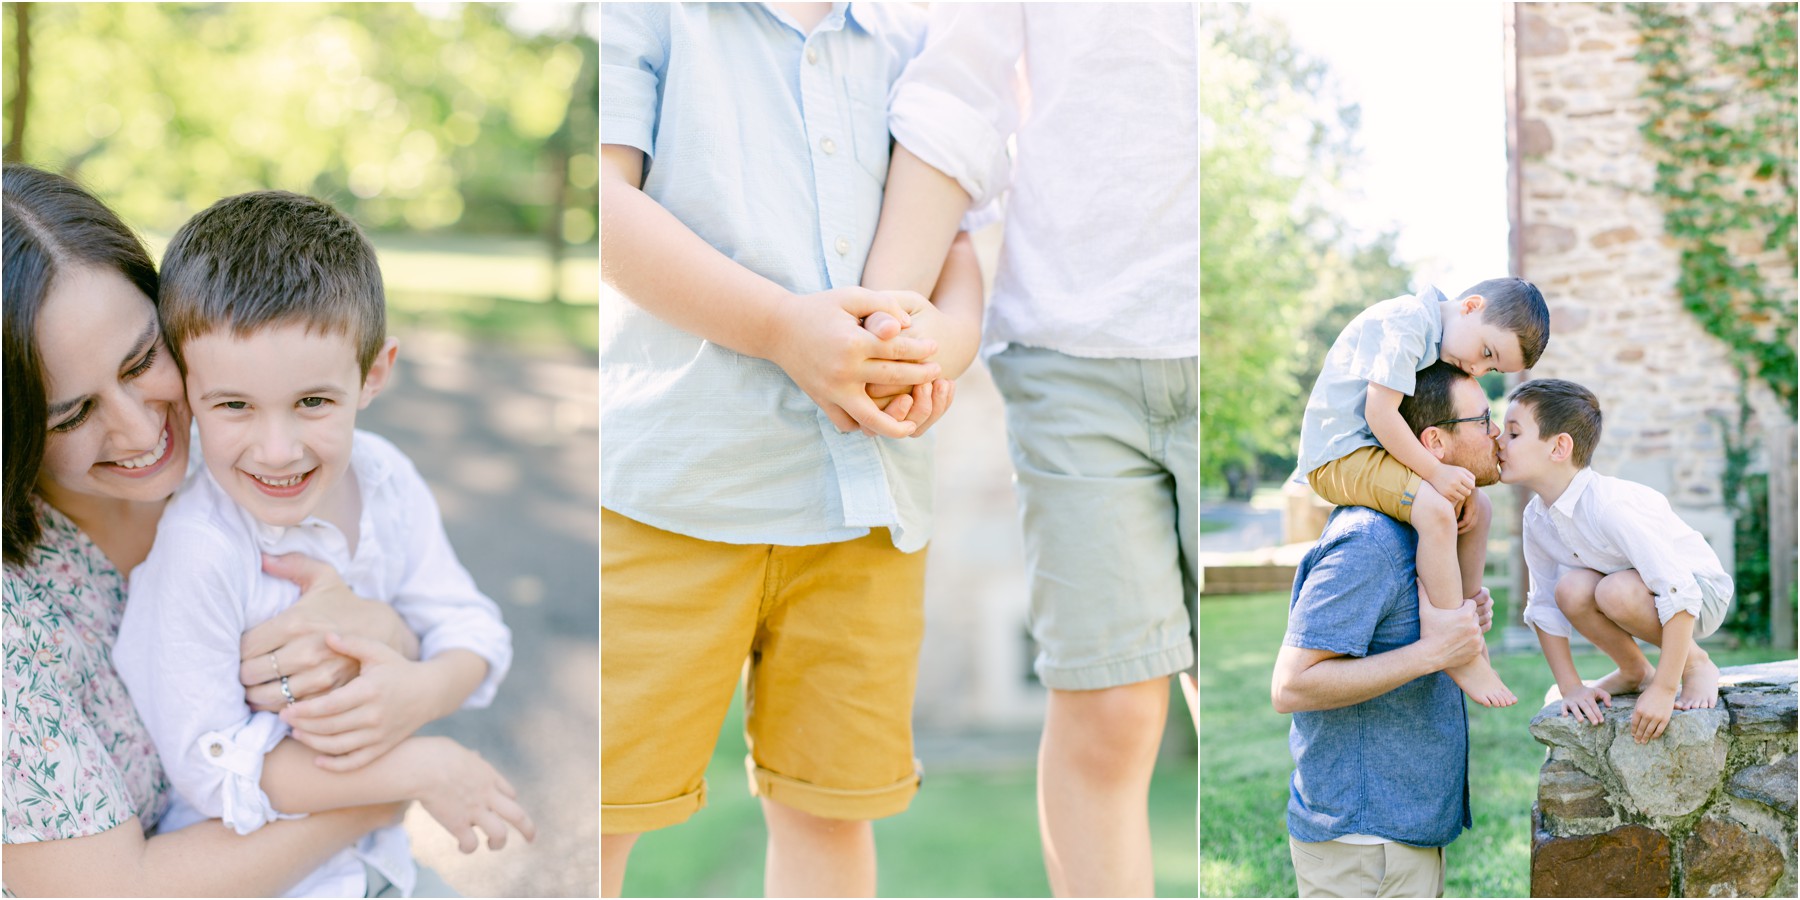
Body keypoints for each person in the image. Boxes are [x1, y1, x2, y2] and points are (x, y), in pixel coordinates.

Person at [598, 4, 984, 897]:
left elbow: (956, 237)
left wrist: (941, 346)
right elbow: (606, 207)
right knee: (605, 813)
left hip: (863, 516)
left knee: (831, 813)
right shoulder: (651, 16)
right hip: (671, 497)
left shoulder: (912, 39)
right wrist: (778, 327)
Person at [0, 164, 449, 896]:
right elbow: (114, 890)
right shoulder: (14, 621)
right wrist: (387, 786)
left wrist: (380, 629)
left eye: (144, 360)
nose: (143, 428)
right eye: (72, 414)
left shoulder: (243, 456)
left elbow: (424, 620)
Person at [840, 5, 1198, 894]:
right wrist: (880, 323)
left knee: (1218, 695)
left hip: (1211, 329)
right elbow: (958, 94)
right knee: (1108, 707)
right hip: (1072, 349)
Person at [105, 190, 533, 897]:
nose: (278, 451)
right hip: (268, 880)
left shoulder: (387, 480)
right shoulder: (200, 550)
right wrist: (419, 767)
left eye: (313, 402)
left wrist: (421, 691)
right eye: (234, 405)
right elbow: (216, 771)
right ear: (187, 392)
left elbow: (472, 627)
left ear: (374, 374)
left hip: (377, 866)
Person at [1272, 362, 1503, 899]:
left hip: (1397, 838)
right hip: (1362, 847)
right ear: (1435, 442)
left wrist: (1463, 624)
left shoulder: (1431, 530)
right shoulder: (1370, 543)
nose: (1497, 432)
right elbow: (1291, 686)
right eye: (1485, 419)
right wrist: (1432, 652)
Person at [1295, 278, 1550, 709]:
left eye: (1492, 370)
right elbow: (1379, 412)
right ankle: (1454, 646)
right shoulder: (1409, 321)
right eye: (1487, 353)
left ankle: (1467, 623)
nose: (1476, 368)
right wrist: (1435, 472)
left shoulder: (1435, 339)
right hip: (1339, 454)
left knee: (1478, 504)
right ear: (1471, 306)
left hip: (1371, 449)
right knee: (1433, 507)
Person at [1500, 378, 1731, 744]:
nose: (1498, 443)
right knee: (1570, 589)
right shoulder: (1536, 517)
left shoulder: (1608, 506)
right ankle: (1634, 670)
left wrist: (1666, 689)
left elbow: (1680, 590)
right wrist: (1571, 687)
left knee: (1614, 591)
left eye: (1513, 434)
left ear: (1559, 447)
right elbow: (1543, 605)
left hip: (1698, 592)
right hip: (1638, 589)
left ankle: (1697, 662)